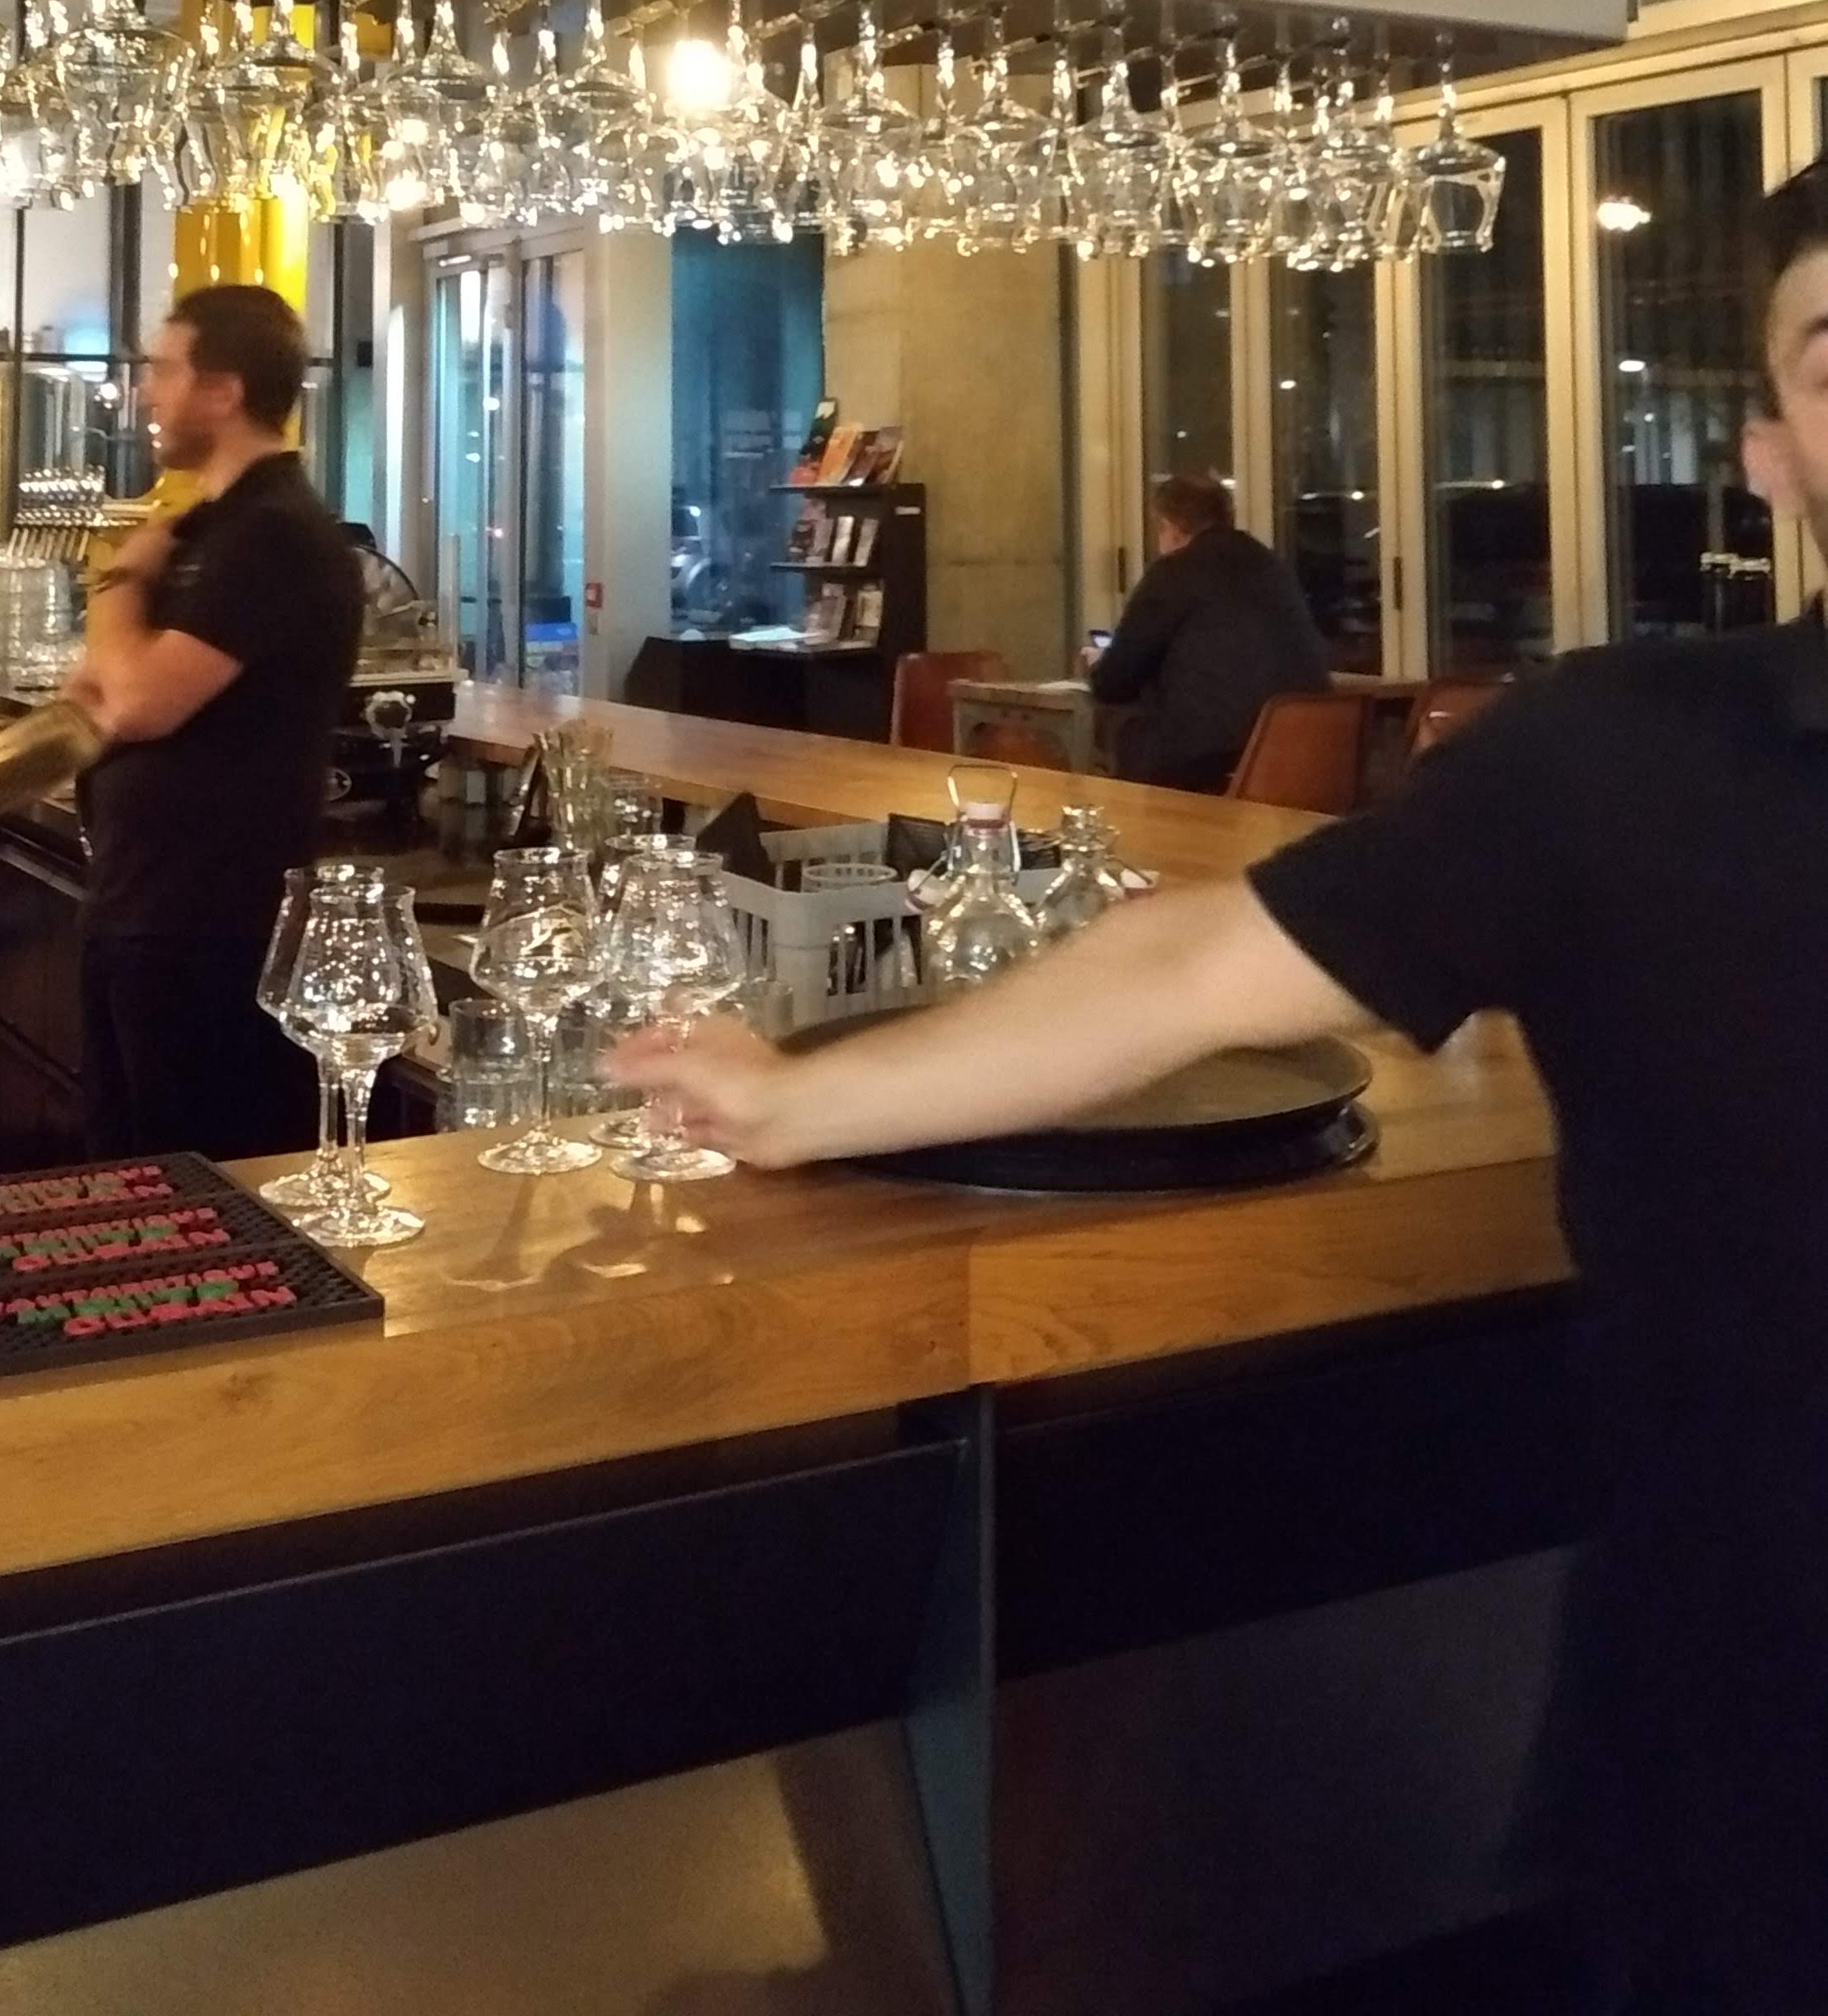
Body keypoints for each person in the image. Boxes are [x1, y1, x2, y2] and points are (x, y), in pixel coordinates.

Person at [632, 160, 1828, 2016]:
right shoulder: (1625, 765)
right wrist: (794, 1101)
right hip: (1755, 1772)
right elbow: (1194, 967)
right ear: (1771, 453)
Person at [68, 283, 363, 1162]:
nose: (146, 394)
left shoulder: (274, 535)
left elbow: (135, 702)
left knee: (195, 1190)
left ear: (223, 390)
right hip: (147, 906)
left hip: (209, 931)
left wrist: (120, 582)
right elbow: (95, 687)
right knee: (131, 1181)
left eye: (164, 371)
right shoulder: (207, 528)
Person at [1083, 471, 1330, 789]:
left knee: (1126, 734)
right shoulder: (1272, 566)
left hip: (1213, 761)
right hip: (1307, 756)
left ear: (1170, 526)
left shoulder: (1175, 572)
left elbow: (1114, 683)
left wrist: (1097, 664)